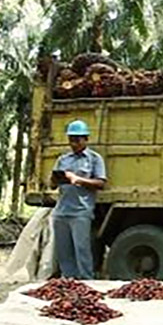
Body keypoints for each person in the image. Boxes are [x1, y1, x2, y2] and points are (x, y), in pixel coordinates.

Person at [50, 120, 106, 279]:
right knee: (63, 250)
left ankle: (87, 281)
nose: (73, 144)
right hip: (61, 211)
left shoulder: (94, 159)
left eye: (77, 140)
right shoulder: (63, 159)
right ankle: (68, 281)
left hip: (81, 211)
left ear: (86, 139)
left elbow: (101, 183)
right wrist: (55, 180)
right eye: (71, 140)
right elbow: (53, 184)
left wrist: (78, 179)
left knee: (82, 249)